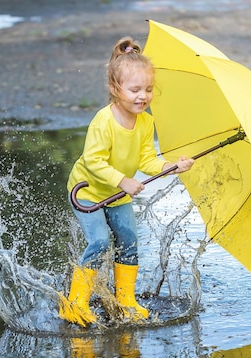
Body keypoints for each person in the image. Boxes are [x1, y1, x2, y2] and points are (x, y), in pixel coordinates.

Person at [59, 36, 194, 326]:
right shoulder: (103, 121)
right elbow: (94, 162)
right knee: (99, 241)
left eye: (147, 89)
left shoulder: (145, 121)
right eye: (134, 90)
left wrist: (171, 166)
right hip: (87, 192)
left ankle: (125, 300)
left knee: (129, 240)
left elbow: (147, 159)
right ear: (114, 88)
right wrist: (123, 181)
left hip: (118, 194)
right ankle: (75, 302)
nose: (142, 96)